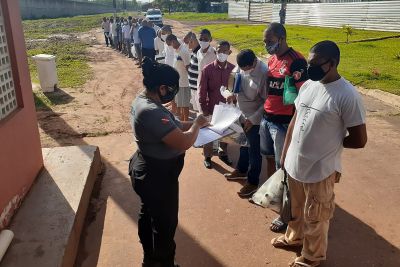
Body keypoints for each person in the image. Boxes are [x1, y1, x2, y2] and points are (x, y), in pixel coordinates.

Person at [272, 40, 367, 267]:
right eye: (308, 62)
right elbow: (295, 121)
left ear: (331, 63)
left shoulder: (347, 95)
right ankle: (295, 239)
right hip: (295, 165)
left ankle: (312, 257)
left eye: (315, 64)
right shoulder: (308, 86)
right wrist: (285, 155)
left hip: (320, 170)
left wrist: (330, 145)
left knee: (316, 216)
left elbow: (359, 139)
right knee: (295, 210)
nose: (309, 68)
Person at [129, 57, 208, 267]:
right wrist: (197, 126)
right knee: (165, 224)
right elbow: (183, 142)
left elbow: (174, 124)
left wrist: (193, 123)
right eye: (171, 89)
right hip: (157, 178)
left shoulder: (146, 101)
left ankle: (151, 259)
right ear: (162, 88)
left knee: (149, 215)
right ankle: (162, 263)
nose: (173, 92)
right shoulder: (151, 111)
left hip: (151, 171)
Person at [261, 22, 308, 233]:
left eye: (269, 41)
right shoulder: (272, 59)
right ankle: (272, 197)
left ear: (281, 38)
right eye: (264, 42)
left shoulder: (296, 61)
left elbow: (303, 96)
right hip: (267, 118)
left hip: (283, 123)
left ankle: (285, 214)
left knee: (286, 170)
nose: (266, 45)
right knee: (269, 160)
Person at [224, 49, 267, 197]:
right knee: (242, 144)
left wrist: (254, 119)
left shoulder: (264, 73)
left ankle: (253, 182)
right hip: (240, 114)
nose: (244, 71)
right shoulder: (241, 66)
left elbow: (267, 102)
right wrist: (231, 95)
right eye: (241, 69)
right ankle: (241, 171)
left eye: (246, 68)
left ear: (254, 62)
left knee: (254, 152)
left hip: (254, 118)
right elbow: (235, 81)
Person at [199, 41, 234, 169]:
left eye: (225, 51)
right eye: (219, 51)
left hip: (227, 108)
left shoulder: (233, 69)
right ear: (215, 51)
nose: (222, 54)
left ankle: (223, 152)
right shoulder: (207, 70)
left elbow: (235, 89)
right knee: (209, 133)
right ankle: (207, 156)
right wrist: (204, 109)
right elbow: (202, 91)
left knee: (226, 133)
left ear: (229, 52)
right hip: (211, 107)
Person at [166, 34, 191, 122]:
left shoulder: (183, 51)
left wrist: (190, 82)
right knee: (180, 103)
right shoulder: (177, 50)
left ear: (173, 41)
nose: (170, 47)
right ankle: (181, 121)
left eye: (170, 44)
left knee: (185, 105)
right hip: (178, 82)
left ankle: (186, 122)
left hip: (184, 83)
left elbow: (188, 67)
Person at [185, 32, 201, 112]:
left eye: (188, 43)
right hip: (193, 87)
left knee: (201, 111)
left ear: (192, 41)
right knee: (197, 110)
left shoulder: (200, 53)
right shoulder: (194, 52)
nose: (187, 45)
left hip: (198, 88)